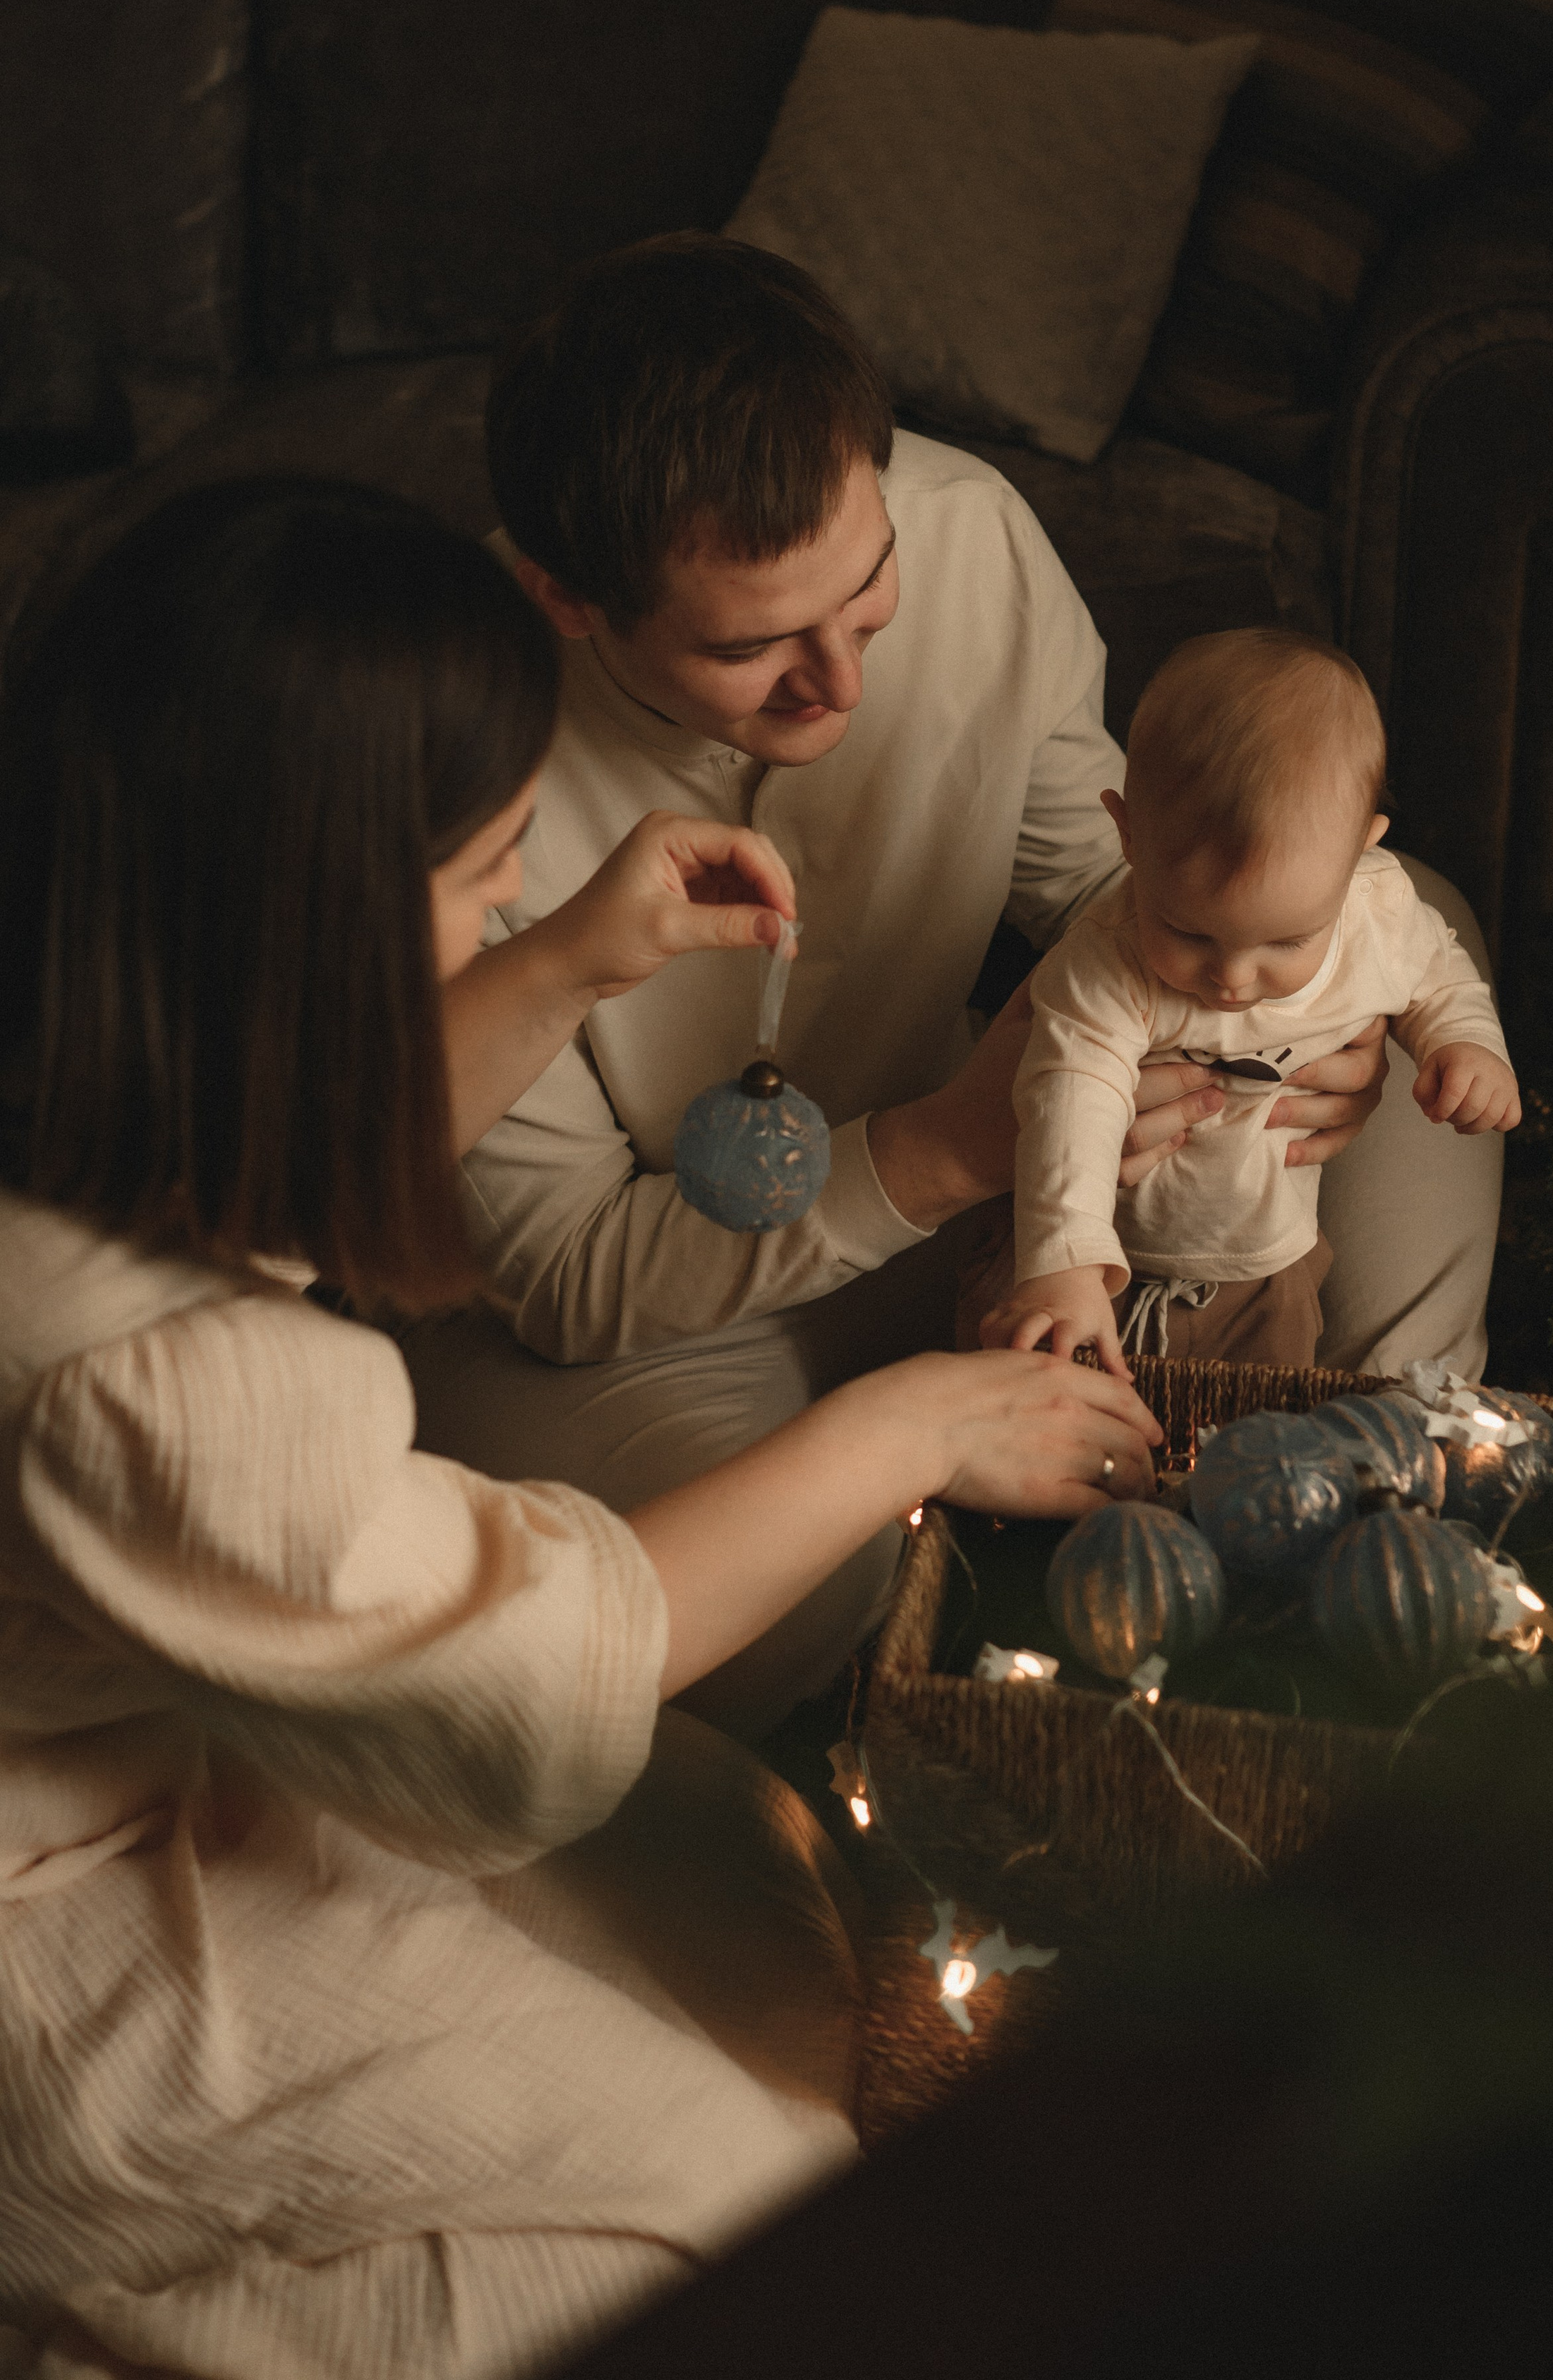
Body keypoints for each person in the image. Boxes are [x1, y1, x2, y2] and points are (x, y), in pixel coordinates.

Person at [0, 481, 1159, 2379]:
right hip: (53, 1911)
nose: (506, 921)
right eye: (476, 897)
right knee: (753, 2225)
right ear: (308, 928)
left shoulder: (98, 1037)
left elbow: (254, 1176)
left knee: (733, 1878)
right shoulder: (159, 1384)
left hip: (112, 1728)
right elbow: (527, 1679)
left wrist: (558, 967)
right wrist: (907, 1429)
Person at [404, 235, 1502, 1731]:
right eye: (751, 647)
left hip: (992, 1191)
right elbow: (570, 1279)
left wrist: (1289, 1015)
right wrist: (944, 1151)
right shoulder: (450, 756)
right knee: (744, 1592)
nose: (839, 687)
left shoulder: (968, 530)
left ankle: (1394, 1468)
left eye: (865, 598)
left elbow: (1106, 884)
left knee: (1400, 919)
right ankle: (967, 1626)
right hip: (645, 1319)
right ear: (566, 597)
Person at [981, 631, 1518, 1373]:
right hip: (1092, 1263)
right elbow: (1069, 1100)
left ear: (1361, 852)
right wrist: (1063, 1262)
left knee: (1262, 1447)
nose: (1232, 978)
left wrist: (1465, 1043)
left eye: (1285, 942)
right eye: (1189, 931)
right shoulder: (1109, 956)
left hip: (1271, 1264)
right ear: (1127, 832)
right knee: (1049, 1435)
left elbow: (1439, 971)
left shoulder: (1379, 911)